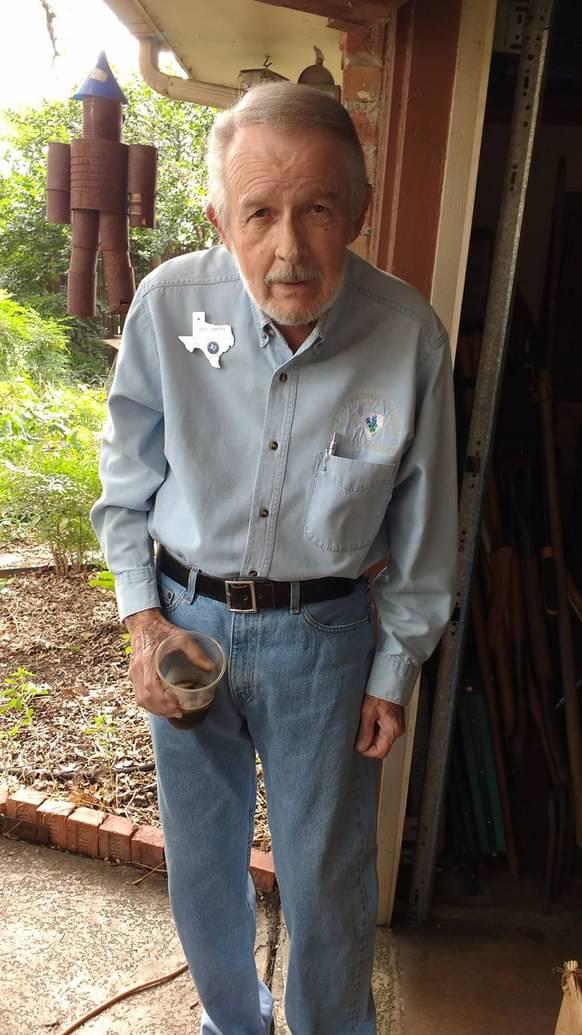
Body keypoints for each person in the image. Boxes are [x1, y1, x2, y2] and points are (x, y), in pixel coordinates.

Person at [91, 82, 457, 1035]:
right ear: (219, 218)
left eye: (318, 210)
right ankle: (232, 1022)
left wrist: (394, 668)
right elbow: (125, 485)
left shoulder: (407, 335)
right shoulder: (169, 305)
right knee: (201, 865)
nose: (289, 247)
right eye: (258, 213)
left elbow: (426, 524)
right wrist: (143, 622)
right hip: (187, 625)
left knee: (327, 880)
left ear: (359, 213)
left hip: (326, 640)